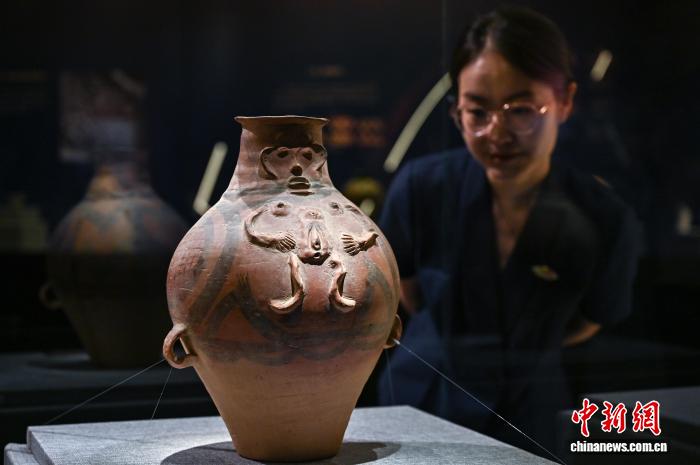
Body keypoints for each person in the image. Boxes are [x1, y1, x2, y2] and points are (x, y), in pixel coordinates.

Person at [378, 5, 642, 456]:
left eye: (521, 109)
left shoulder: (603, 215)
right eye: (477, 111)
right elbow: (404, 290)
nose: (497, 132)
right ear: (457, 111)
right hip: (424, 397)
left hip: (531, 407)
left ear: (565, 101)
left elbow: (591, 319)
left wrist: (526, 343)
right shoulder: (421, 188)